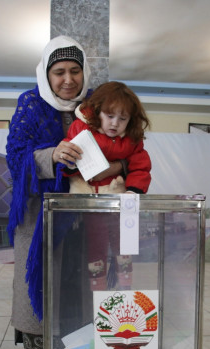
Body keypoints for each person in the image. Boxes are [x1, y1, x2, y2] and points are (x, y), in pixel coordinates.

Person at [6, 36, 124, 349]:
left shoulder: (97, 106)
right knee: (44, 282)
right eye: (59, 72)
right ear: (46, 73)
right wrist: (51, 156)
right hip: (42, 214)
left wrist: (115, 169)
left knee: (82, 283)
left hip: (88, 216)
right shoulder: (30, 103)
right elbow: (15, 159)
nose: (68, 79)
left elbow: (124, 150)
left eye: (75, 71)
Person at [61, 81, 152, 290]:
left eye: (122, 119)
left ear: (130, 120)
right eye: (110, 116)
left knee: (124, 245)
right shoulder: (81, 130)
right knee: (96, 244)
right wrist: (73, 167)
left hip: (120, 200)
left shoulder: (132, 140)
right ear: (97, 112)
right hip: (91, 201)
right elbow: (69, 160)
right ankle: (98, 287)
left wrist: (134, 191)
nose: (115, 124)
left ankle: (126, 285)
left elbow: (141, 166)